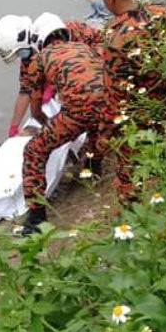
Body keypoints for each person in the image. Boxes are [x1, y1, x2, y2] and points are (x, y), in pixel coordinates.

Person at [19, 14, 111, 234]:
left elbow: (35, 107)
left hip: (77, 111)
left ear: (40, 40)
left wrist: (48, 125)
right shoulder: (83, 47)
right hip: (109, 105)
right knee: (95, 125)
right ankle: (93, 166)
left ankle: (36, 217)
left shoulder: (39, 59)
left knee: (34, 151)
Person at [94, 0, 166, 200]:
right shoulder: (164, 15)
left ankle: (135, 225)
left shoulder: (117, 36)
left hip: (139, 121)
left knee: (130, 184)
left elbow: (114, 96)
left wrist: (105, 135)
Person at [0, 13, 104, 138]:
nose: (25, 56)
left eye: (22, 52)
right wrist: (14, 127)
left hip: (92, 76)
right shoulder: (30, 58)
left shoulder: (71, 31)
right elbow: (25, 91)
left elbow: (101, 40)